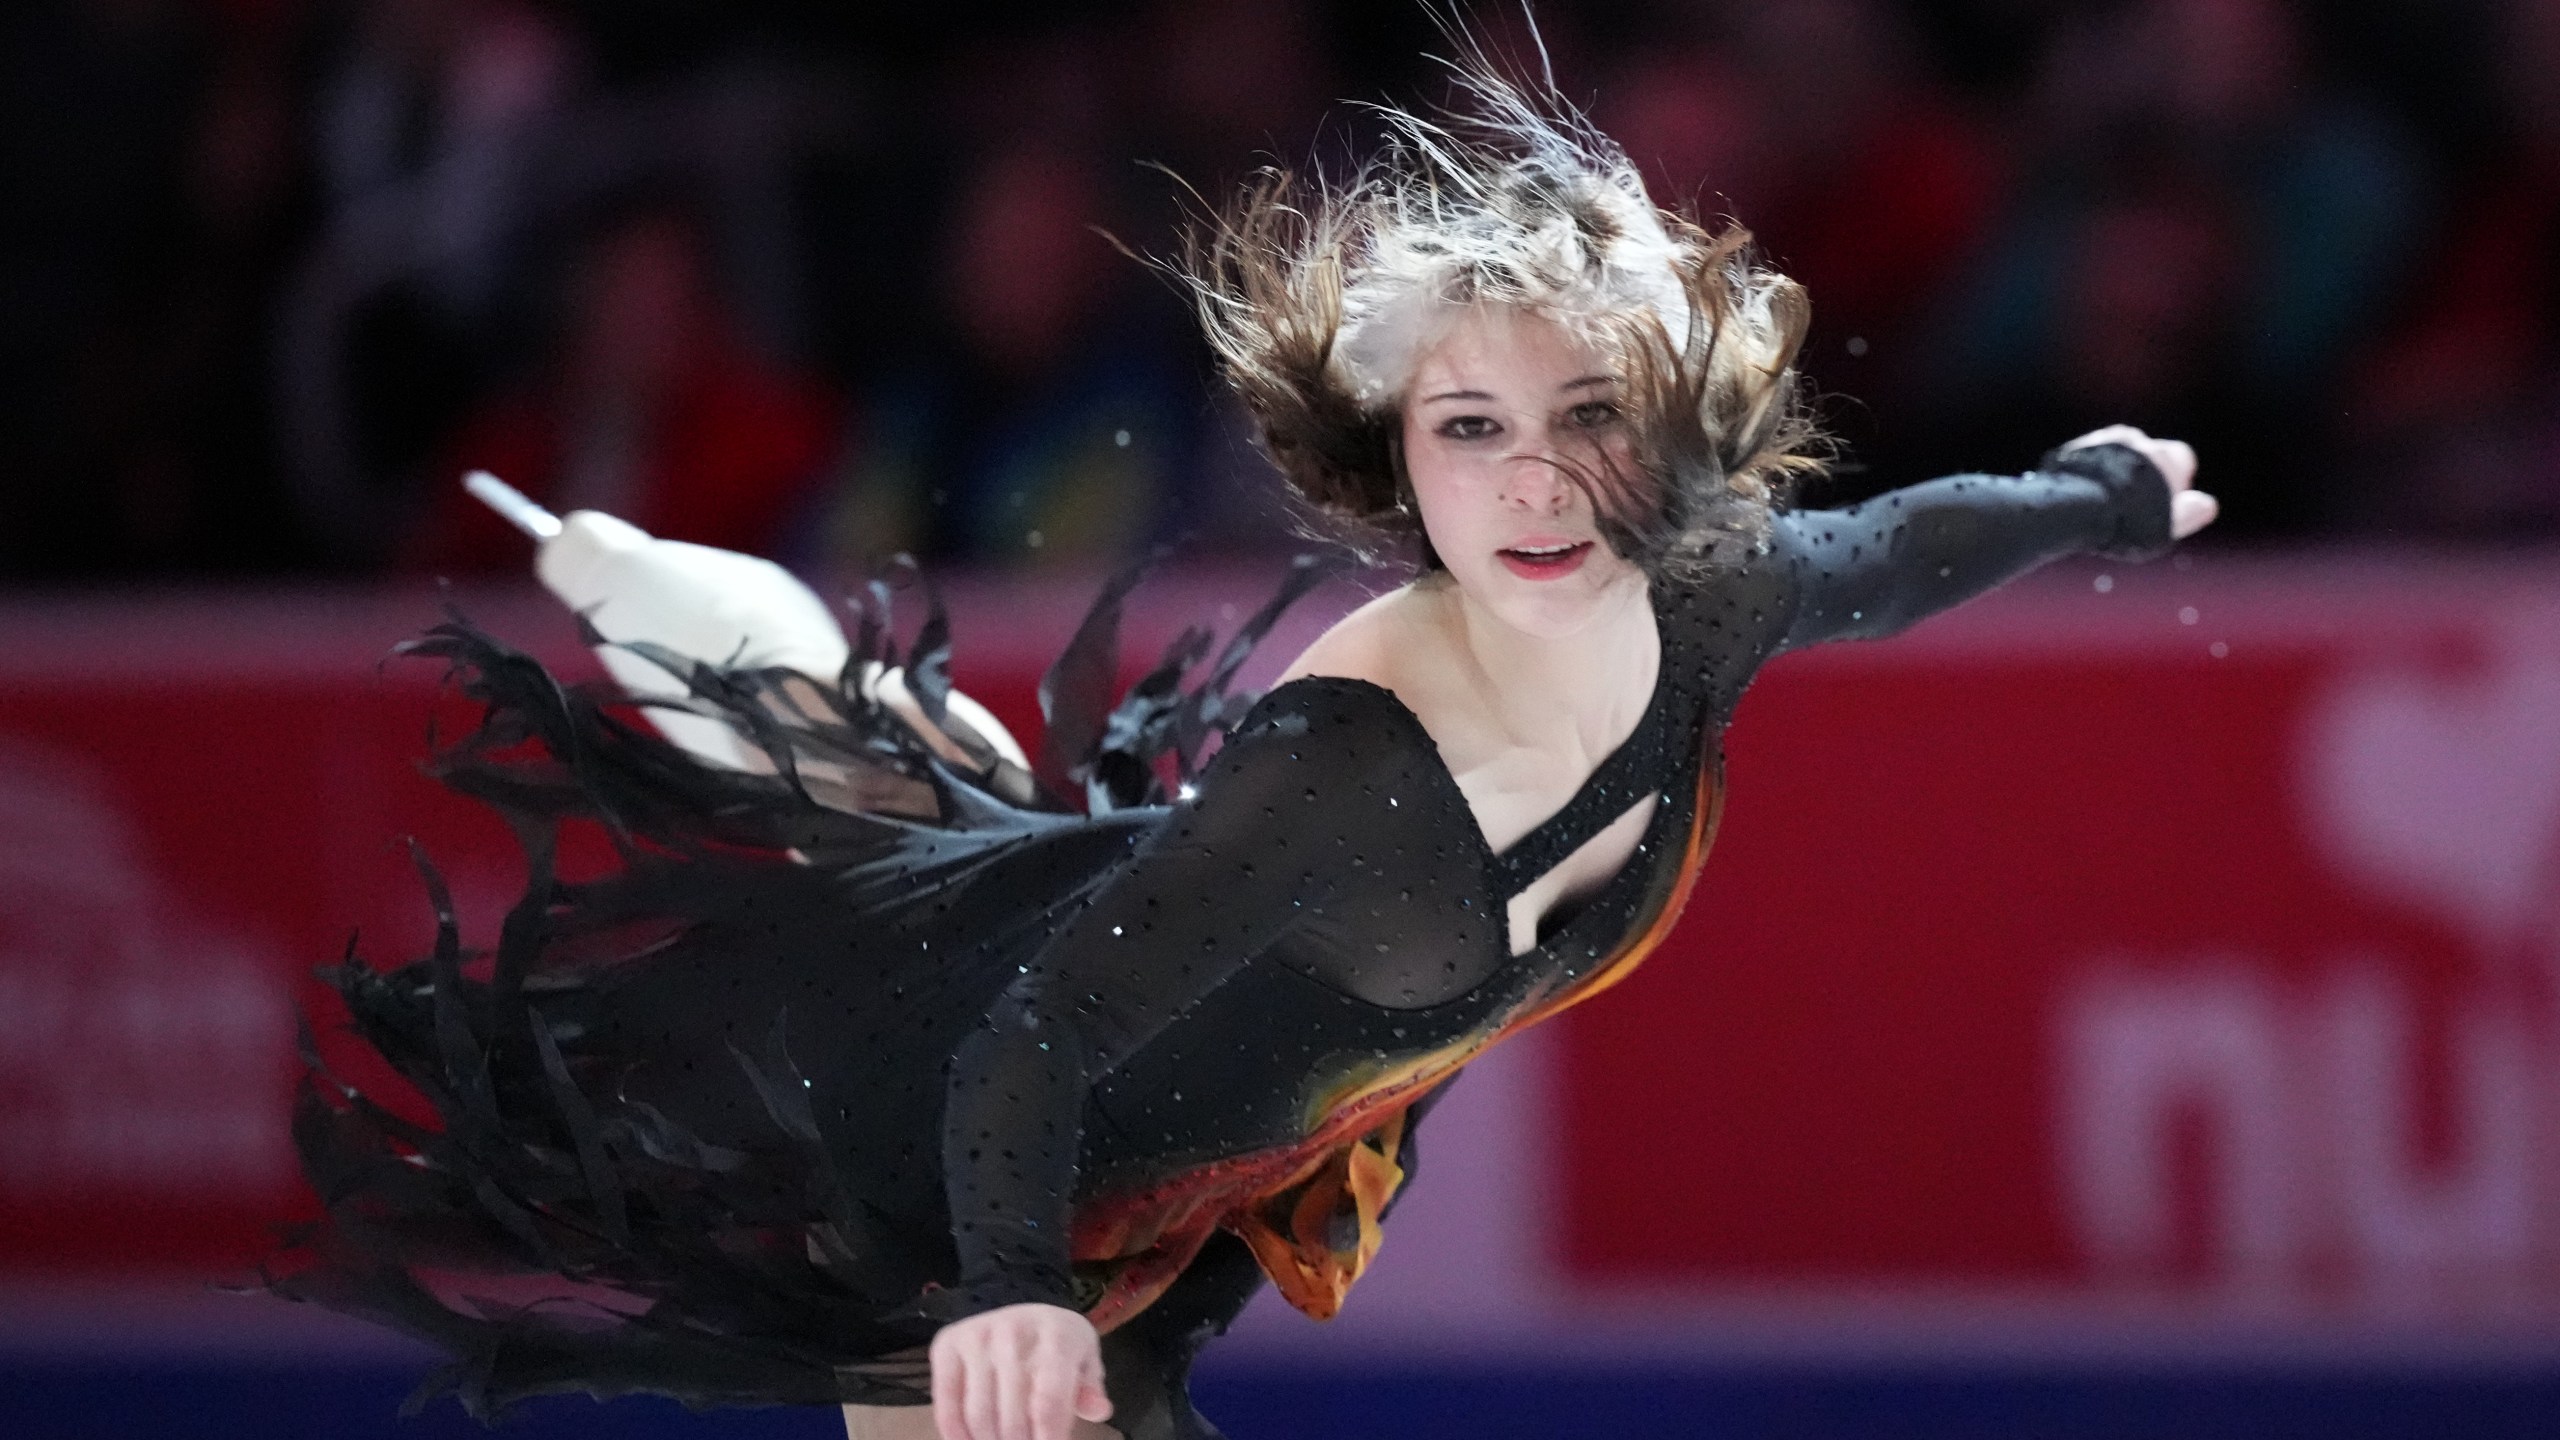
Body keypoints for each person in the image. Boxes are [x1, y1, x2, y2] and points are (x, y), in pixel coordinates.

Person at [269, 60, 2215, 1440]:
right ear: (1398, 457)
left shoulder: (1700, 597)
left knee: (904, 773)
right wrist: (1014, 1293)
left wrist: (2101, 489)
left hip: (1183, 1201)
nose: (1531, 484)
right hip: (965, 1170)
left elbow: (1885, 552)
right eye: (1467, 429)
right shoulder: (1355, 762)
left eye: (1586, 418)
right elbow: (1028, 1042)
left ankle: (860, 747)